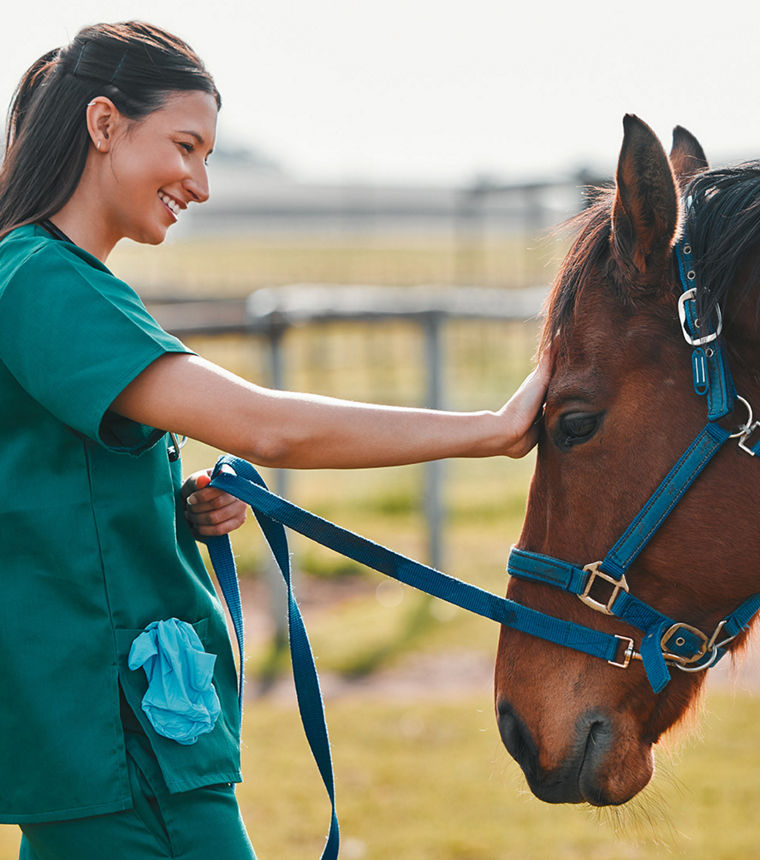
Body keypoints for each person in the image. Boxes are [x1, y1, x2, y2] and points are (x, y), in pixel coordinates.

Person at [0, 21, 550, 859]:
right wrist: (491, 429)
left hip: (90, 743)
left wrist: (171, 509)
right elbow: (270, 425)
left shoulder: (37, 276)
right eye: (185, 146)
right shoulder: (47, 283)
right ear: (104, 125)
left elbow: (45, 488)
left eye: (210, 154)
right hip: (127, 748)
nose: (202, 183)